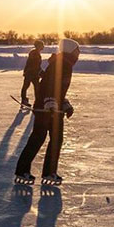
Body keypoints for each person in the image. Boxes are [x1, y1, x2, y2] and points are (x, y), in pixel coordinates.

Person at [14, 39, 80, 186]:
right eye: (77, 50)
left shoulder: (63, 63)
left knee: (46, 138)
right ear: (70, 50)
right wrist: (50, 102)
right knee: (44, 138)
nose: (79, 53)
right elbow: (50, 84)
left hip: (50, 107)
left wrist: (65, 104)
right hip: (47, 109)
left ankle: (39, 171)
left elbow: (59, 89)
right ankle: (38, 171)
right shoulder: (62, 64)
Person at [20, 40, 45, 106]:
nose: (43, 46)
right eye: (42, 45)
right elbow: (35, 65)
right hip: (31, 73)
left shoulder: (36, 53)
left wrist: (41, 73)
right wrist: (42, 73)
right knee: (28, 87)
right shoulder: (35, 53)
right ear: (38, 46)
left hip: (33, 74)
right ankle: (24, 100)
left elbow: (37, 66)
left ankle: (36, 101)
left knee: (36, 88)